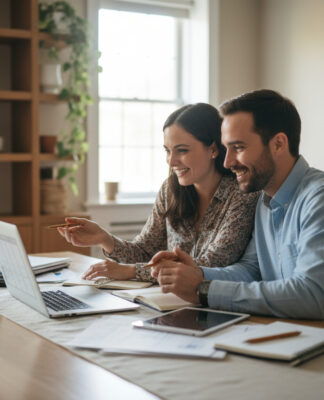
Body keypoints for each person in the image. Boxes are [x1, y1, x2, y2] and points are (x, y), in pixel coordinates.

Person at [152, 89, 324, 319]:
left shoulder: (317, 198)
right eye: (227, 148)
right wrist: (196, 273)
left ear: (279, 144)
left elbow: (313, 294)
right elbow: (252, 270)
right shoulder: (264, 201)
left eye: (239, 147)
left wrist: (204, 290)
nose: (228, 161)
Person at [58, 103, 259, 282]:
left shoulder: (242, 193)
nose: (171, 162)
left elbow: (212, 264)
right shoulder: (170, 190)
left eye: (182, 150)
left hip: (214, 303)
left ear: (213, 149)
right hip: (169, 299)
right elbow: (145, 251)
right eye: (167, 151)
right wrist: (103, 238)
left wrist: (130, 271)